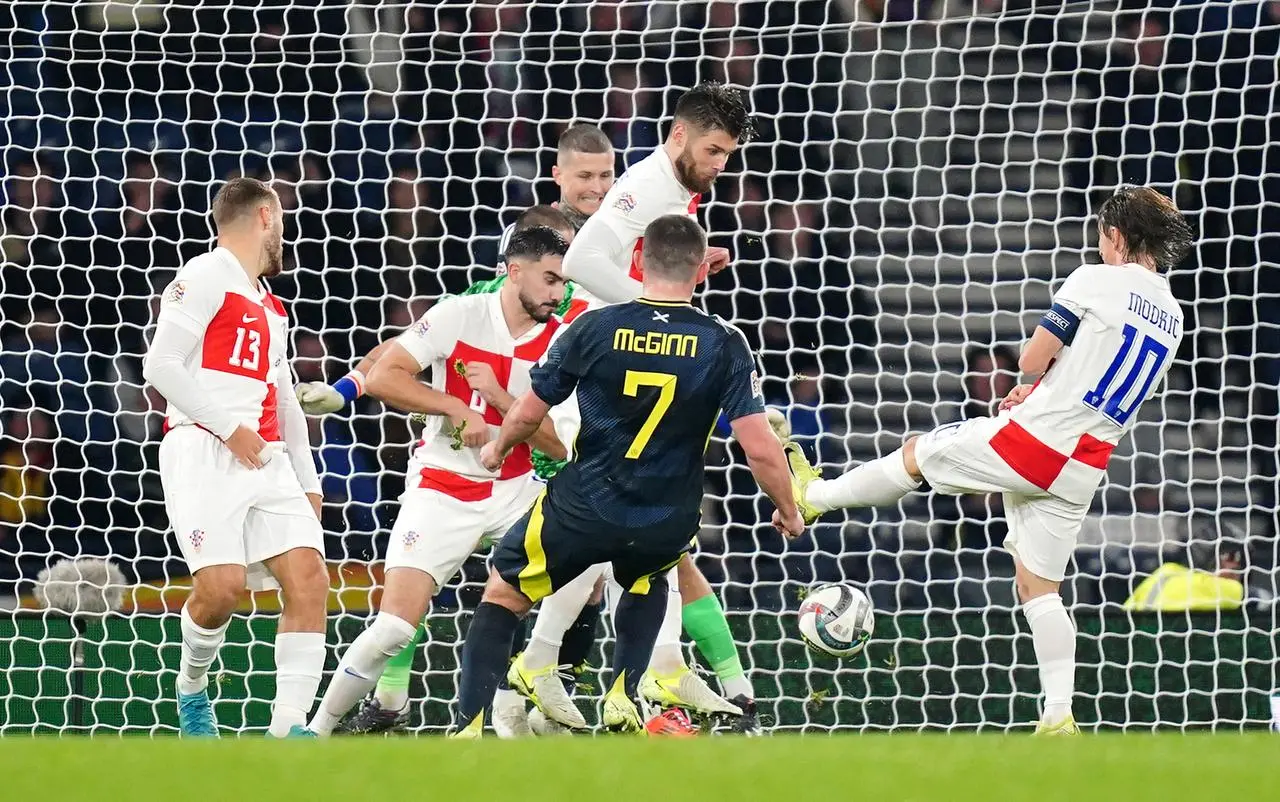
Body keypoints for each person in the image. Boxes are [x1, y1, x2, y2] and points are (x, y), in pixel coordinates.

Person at [784, 185, 1194, 736]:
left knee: (917, 455)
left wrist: (1034, 383)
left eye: (1101, 235)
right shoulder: (1173, 313)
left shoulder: (1094, 279)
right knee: (1039, 588)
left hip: (1035, 443)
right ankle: (1058, 717)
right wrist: (1044, 391)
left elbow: (1029, 356)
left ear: (1116, 235)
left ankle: (813, 499)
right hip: (1085, 464)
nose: (1099, 245)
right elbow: (1103, 378)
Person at [450, 215, 803, 737]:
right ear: (699, 272)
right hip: (665, 513)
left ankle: (468, 726)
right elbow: (760, 449)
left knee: (504, 592)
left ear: (638, 261)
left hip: (585, 502)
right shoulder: (724, 342)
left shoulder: (595, 326)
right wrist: (789, 508)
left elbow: (528, 411)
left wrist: (499, 448)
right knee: (647, 575)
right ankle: (623, 693)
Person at [519, 80, 766, 733]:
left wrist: (680, 274)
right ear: (680, 135)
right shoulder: (648, 186)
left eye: (728, 155)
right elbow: (579, 259)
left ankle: (650, 666)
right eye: (713, 150)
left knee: (651, 531)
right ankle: (550, 666)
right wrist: (649, 307)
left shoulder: (679, 190)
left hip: (630, 374)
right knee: (614, 532)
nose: (721, 165)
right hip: (608, 373)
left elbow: (625, 259)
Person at [305, 227, 573, 737]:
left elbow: (557, 446)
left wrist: (498, 400)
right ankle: (315, 732)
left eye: (563, 283)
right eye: (550, 279)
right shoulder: (458, 314)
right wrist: (452, 405)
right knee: (393, 627)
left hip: (516, 490)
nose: (558, 294)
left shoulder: (559, 340)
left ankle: (538, 698)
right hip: (443, 486)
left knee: (589, 572)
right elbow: (385, 375)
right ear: (514, 271)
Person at [142, 177, 330, 738]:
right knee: (221, 592)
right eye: (283, 221)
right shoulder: (202, 275)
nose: (285, 234)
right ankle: (192, 690)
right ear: (266, 216)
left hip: (265, 459)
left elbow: (285, 398)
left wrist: (308, 477)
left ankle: (288, 730)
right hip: (203, 447)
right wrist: (229, 429)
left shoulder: (272, 305)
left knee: (310, 579)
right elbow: (161, 365)